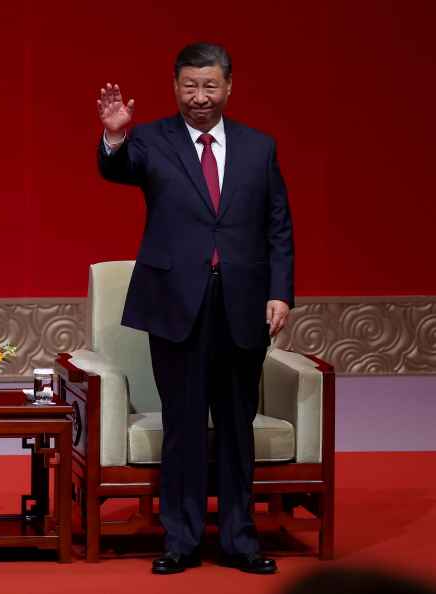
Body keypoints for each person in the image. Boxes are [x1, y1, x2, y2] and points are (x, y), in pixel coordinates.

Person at [96, 42, 294, 574]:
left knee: (235, 425)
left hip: (243, 304)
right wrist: (115, 135)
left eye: (209, 86)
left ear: (229, 87)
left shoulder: (259, 147)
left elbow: (278, 226)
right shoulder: (153, 141)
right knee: (183, 425)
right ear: (175, 87)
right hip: (175, 304)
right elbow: (118, 170)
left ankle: (239, 539)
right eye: (189, 86)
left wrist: (280, 293)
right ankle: (180, 541)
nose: (199, 97)